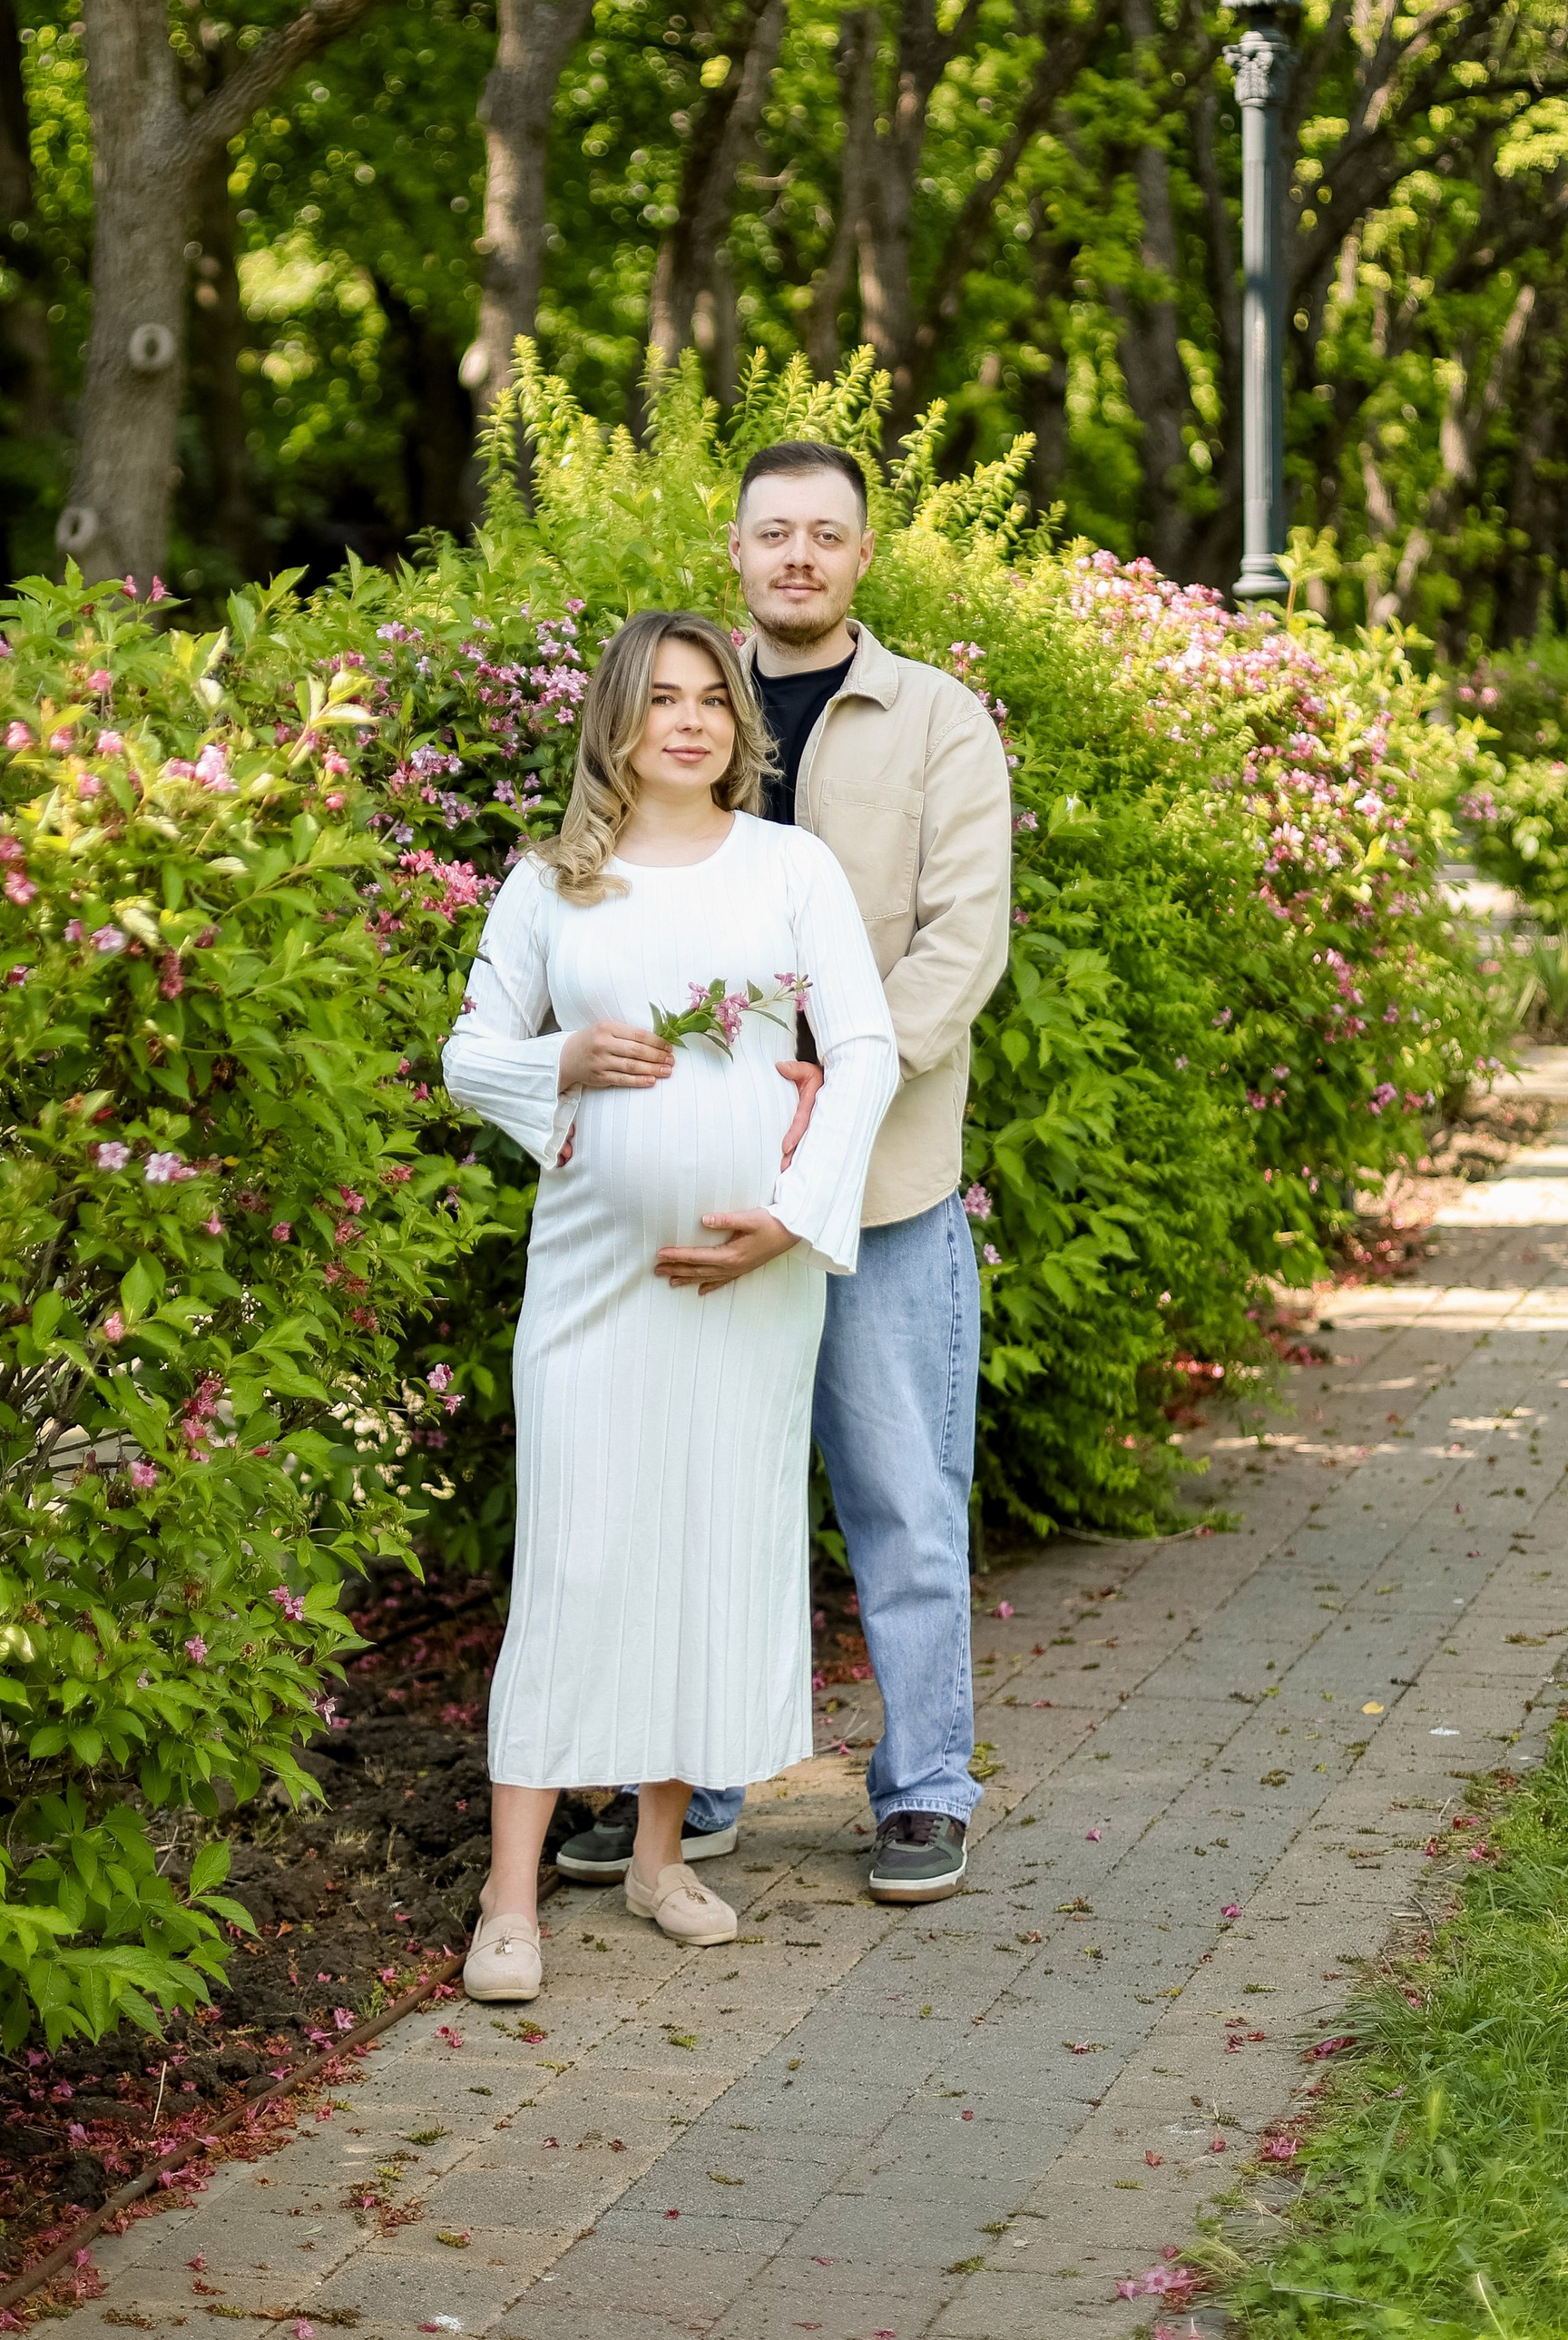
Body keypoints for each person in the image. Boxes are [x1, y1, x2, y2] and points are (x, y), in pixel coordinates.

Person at [554, 440, 1014, 1905]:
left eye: (826, 532)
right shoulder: (688, 710)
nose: (798, 555)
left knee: (902, 1497)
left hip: (879, 1187)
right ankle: (689, 1789)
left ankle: (925, 1788)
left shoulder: (936, 719)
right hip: (701, 1179)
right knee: (701, 1488)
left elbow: (962, 942)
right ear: (738, 551)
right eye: (774, 533)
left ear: (863, 554)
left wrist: (839, 1081)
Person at [440, 607, 897, 2003]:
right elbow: (468, 1054)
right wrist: (565, 1061)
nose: (689, 720)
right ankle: (509, 1895)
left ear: (735, 724)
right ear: (618, 723)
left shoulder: (789, 867)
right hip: (594, 1279)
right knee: (575, 1559)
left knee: (712, 1543)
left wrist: (792, 1217)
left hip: (753, 1289)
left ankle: (659, 1855)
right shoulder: (549, 885)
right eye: (661, 698)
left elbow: (864, 1049)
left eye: (710, 697)